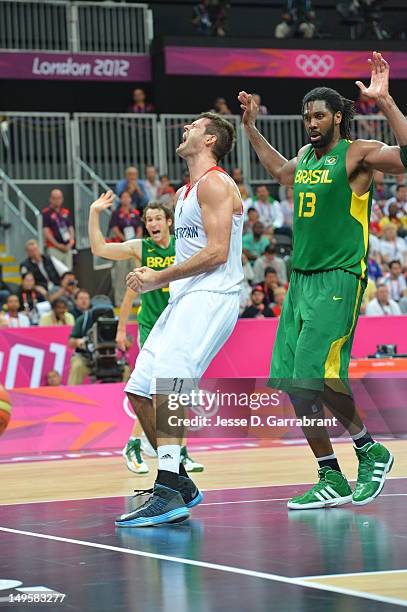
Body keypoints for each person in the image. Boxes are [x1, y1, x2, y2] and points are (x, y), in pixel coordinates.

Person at [239, 51, 406, 509]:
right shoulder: (306, 158)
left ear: (337, 116)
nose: (310, 123)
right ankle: (330, 476)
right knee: (297, 384)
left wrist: (386, 101)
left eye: (317, 116)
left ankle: (370, 450)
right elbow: (278, 171)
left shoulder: (357, 155)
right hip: (300, 284)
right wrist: (252, 127)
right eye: (305, 116)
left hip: (338, 278)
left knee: (318, 375)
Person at [90, 111, 243, 527]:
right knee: (139, 390)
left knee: (171, 378)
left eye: (193, 126)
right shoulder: (183, 193)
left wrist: (158, 276)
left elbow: (217, 252)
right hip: (183, 298)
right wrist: (160, 281)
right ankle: (180, 484)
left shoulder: (215, 183)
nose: (184, 129)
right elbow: (188, 257)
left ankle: (167, 487)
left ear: (210, 140)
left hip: (213, 295)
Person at [90, 201, 204, 475]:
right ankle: (133, 444)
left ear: (168, 222)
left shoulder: (183, 245)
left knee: (177, 392)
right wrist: (94, 212)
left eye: (157, 218)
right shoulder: (142, 249)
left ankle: (181, 451)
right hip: (152, 329)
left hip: (180, 326)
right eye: (148, 219)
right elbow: (100, 249)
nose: (152, 224)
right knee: (156, 392)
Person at [109, 190, 144, 306]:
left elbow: (139, 228)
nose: (125, 199)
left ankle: (137, 299)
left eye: (127, 197)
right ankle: (120, 301)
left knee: (136, 273)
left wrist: (135, 240)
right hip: (121, 247)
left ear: (130, 199)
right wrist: (125, 239)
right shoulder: (116, 213)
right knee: (121, 274)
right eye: (123, 197)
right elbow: (114, 228)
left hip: (133, 248)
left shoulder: (135, 212)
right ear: (120, 199)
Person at [42, 189, 75, 269]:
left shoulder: (65, 212)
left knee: (68, 272)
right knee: (56, 271)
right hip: (54, 248)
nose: (57, 200)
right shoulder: (46, 213)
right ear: (50, 199)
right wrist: (57, 245)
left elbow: (70, 228)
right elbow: (46, 232)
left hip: (67, 248)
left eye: (59, 198)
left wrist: (71, 242)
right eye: (55, 198)